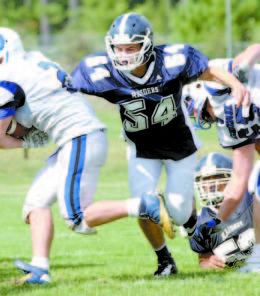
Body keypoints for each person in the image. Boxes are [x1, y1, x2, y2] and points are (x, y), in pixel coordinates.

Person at [0, 27, 164, 284]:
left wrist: (27, 142)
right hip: (76, 137)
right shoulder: (35, 59)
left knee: (76, 217)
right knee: (35, 204)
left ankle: (145, 205)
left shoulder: (6, 77)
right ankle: (40, 270)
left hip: (78, 137)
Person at [71, 12, 249, 277]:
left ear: (146, 44)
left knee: (177, 211)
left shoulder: (172, 60)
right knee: (145, 205)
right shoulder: (100, 70)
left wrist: (236, 86)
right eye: (119, 48)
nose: (124, 54)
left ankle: (196, 235)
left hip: (180, 144)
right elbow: (66, 89)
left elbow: (209, 70)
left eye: (131, 47)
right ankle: (164, 259)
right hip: (141, 148)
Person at [184, 43, 260, 272]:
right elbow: (238, 181)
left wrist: (244, 67)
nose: (202, 116)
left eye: (200, 111)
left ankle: (256, 258)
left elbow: (256, 47)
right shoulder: (228, 112)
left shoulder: (222, 85)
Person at [188, 152, 254, 269]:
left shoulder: (250, 200)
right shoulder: (201, 221)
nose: (211, 185)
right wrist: (208, 262)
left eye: (217, 177)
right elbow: (204, 257)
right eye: (206, 180)